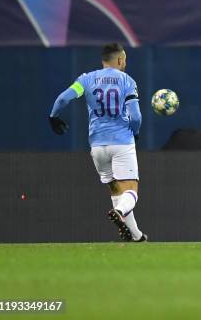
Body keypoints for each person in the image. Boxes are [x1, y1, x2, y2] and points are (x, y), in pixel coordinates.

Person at [49, 42, 146, 242]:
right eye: (124, 60)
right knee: (131, 190)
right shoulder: (127, 81)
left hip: (97, 146)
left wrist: (54, 116)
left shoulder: (86, 79)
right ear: (120, 60)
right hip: (121, 142)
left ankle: (135, 236)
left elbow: (62, 99)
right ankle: (118, 211)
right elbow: (136, 117)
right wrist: (135, 132)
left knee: (115, 189)